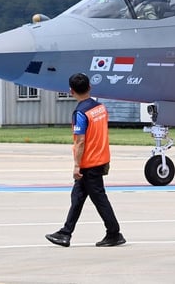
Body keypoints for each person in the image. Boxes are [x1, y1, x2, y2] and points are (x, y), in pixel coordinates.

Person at [46, 73, 125, 247]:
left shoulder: (80, 113)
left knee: (98, 199)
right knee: (78, 196)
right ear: (90, 87)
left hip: (89, 163)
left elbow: (80, 141)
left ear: (71, 91)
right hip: (101, 158)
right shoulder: (101, 108)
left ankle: (114, 233)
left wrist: (76, 166)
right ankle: (65, 233)